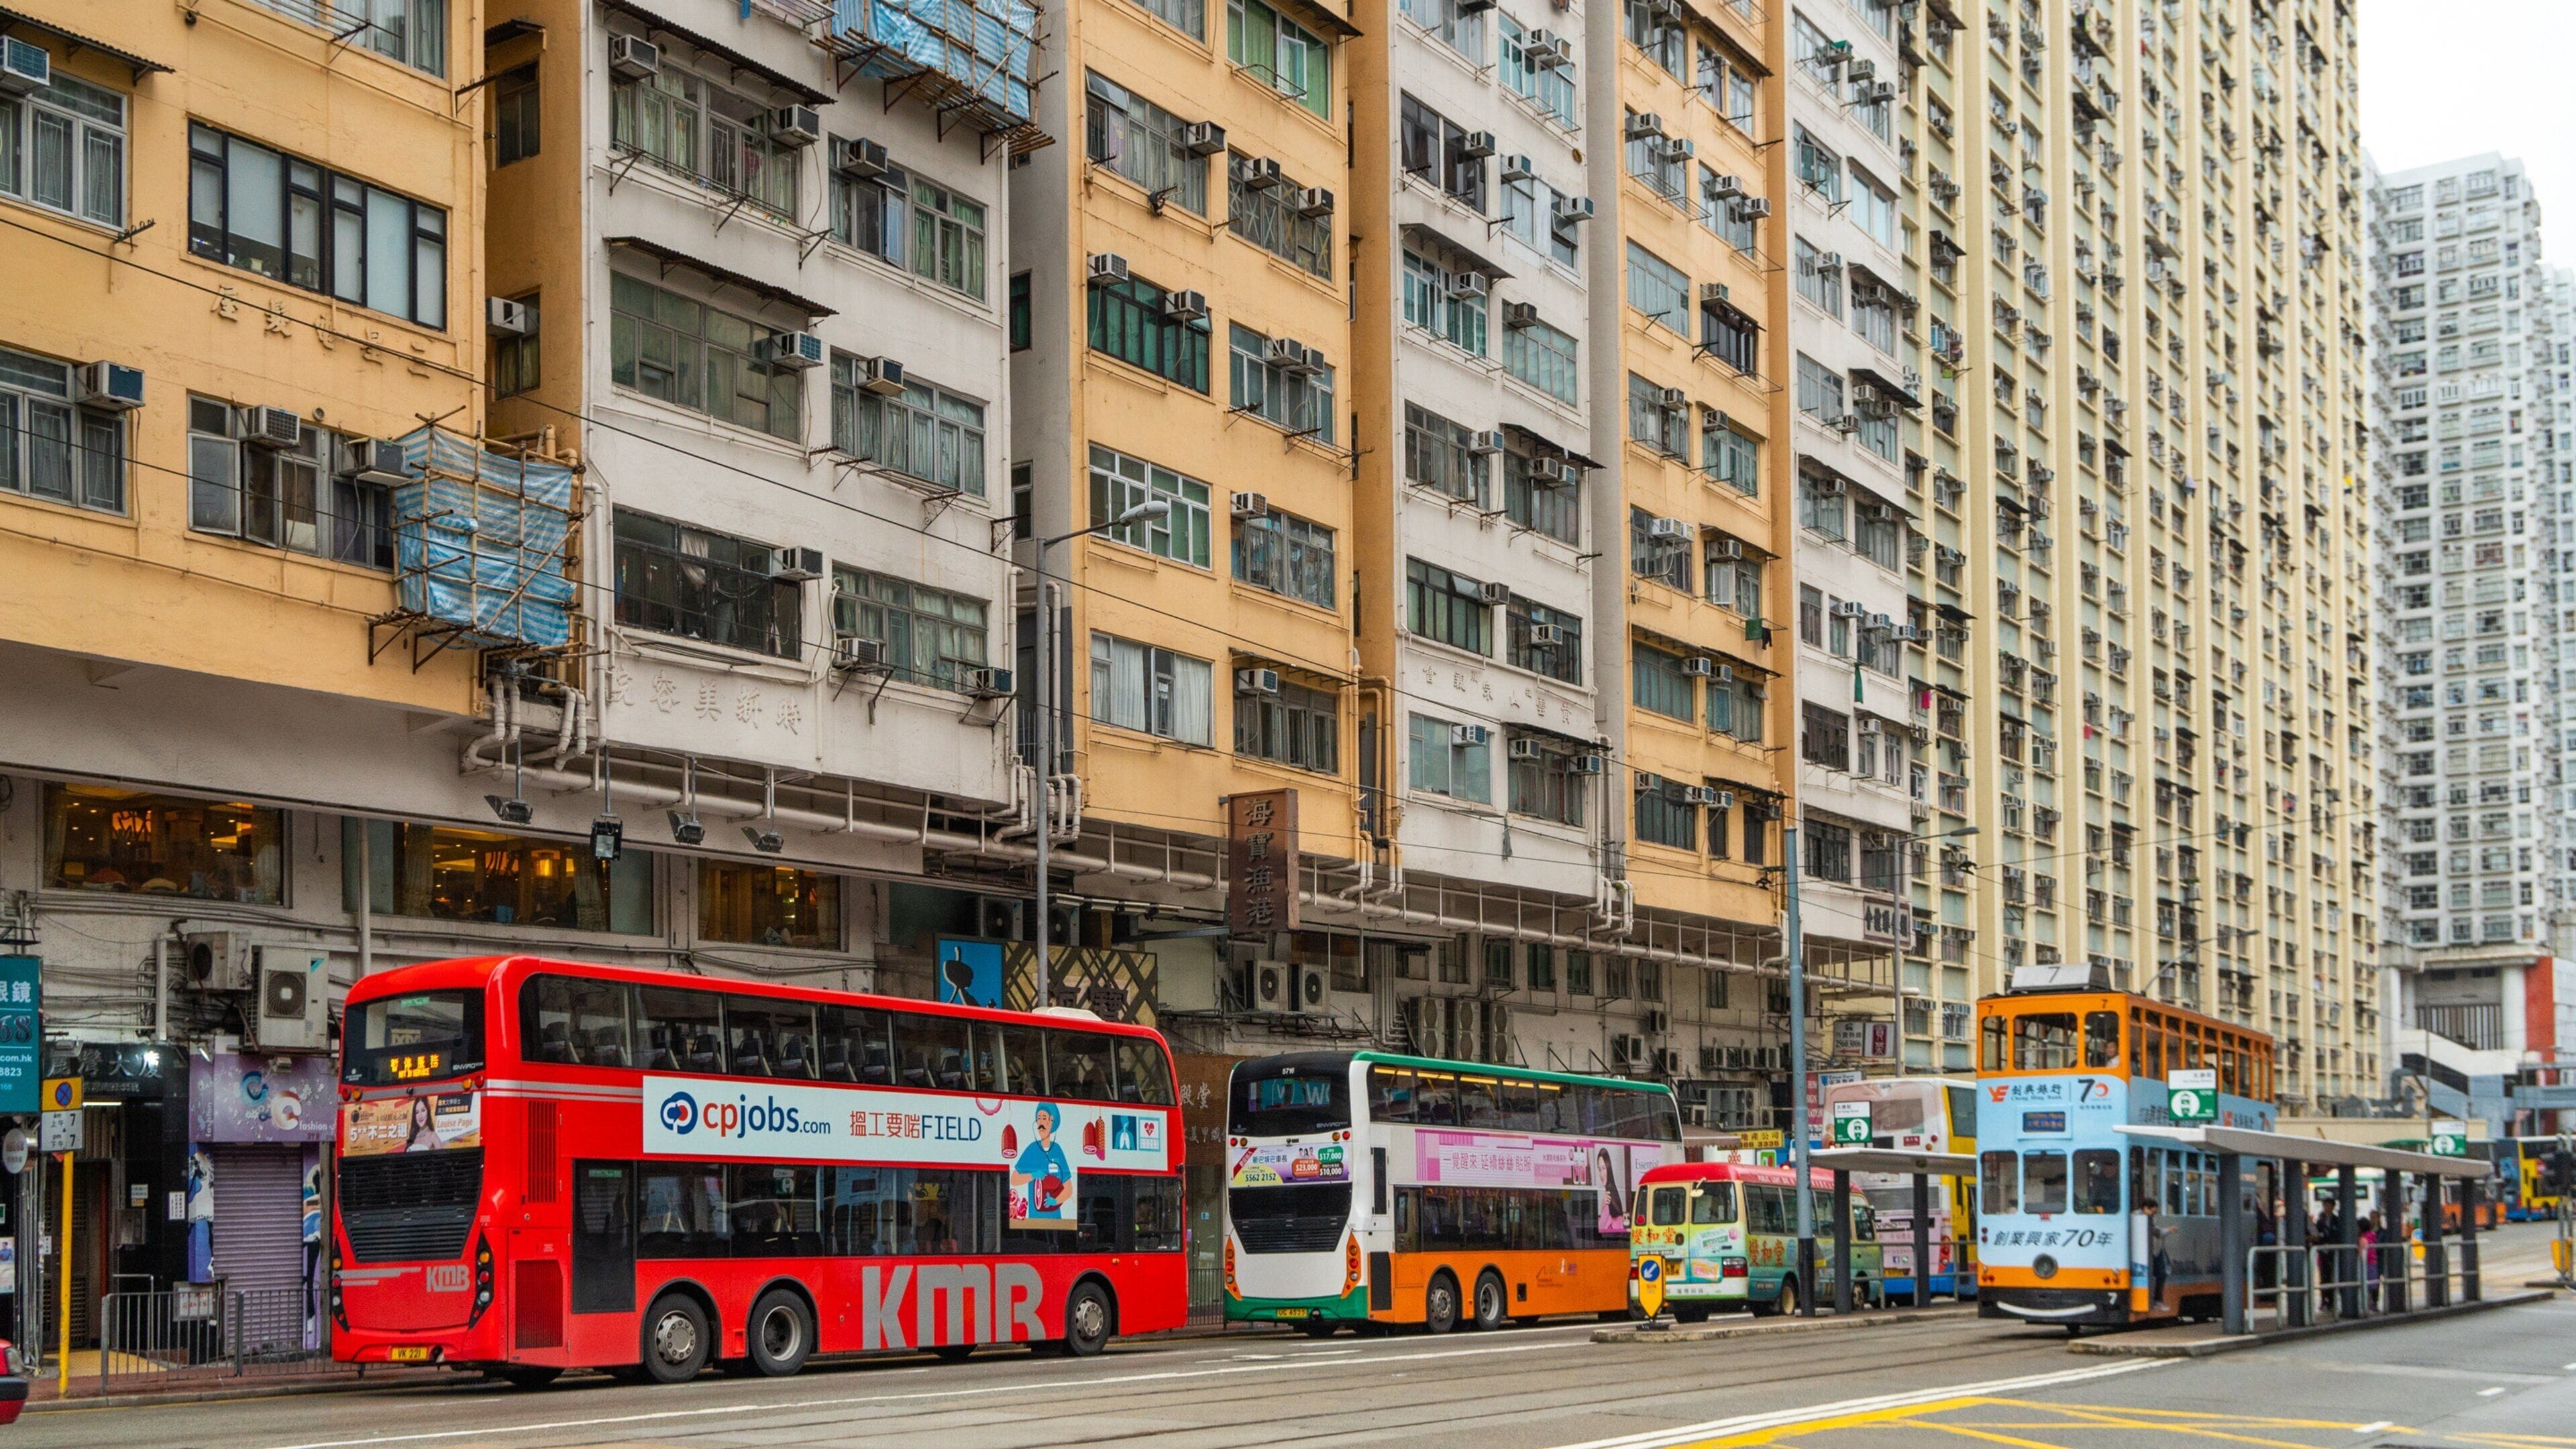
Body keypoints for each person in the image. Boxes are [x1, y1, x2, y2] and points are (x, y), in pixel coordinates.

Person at [1012, 1102, 1074, 1223]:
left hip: (1056, 1220)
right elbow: (1014, 1179)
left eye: (1044, 1118)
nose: (1041, 1123)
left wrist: (1055, 1201)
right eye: (1038, 1119)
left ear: (1052, 1121)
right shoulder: (1032, 1149)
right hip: (1035, 1219)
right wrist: (1033, 1175)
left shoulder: (1057, 1150)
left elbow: (1068, 1189)